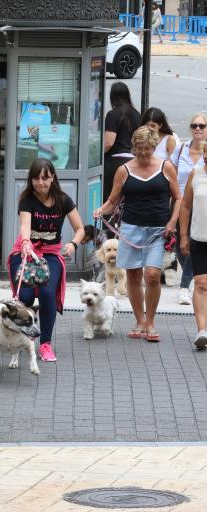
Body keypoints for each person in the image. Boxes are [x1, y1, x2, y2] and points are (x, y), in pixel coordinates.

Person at [94, 126, 180, 343]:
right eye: (139, 149)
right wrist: (101, 210)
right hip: (131, 228)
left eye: (147, 149)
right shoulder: (124, 170)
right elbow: (113, 200)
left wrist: (172, 222)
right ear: (133, 147)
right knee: (132, 275)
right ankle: (139, 320)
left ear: (154, 147)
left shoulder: (166, 167)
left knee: (151, 275)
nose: (143, 153)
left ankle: (150, 321)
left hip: (157, 230)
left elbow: (178, 198)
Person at [9, 159, 84, 362]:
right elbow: (25, 226)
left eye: (45, 177)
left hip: (50, 253)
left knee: (47, 291)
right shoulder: (27, 199)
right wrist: (25, 242)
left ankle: (45, 344)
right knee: (24, 296)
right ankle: (22, 338)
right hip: (26, 251)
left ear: (52, 177)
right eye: (36, 178)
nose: (40, 182)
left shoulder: (63, 200)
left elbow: (80, 228)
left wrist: (73, 244)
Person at [170, 113, 206, 305]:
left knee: (192, 243)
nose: (198, 129)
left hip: (200, 204)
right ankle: (191, 276)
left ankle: (184, 287)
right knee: (179, 242)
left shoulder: (206, 151)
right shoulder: (180, 148)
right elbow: (170, 172)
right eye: (194, 125)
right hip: (180, 202)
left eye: (202, 125)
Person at [179, 142, 207, 350]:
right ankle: (202, 331)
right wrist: (183, 236)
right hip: (199, 238)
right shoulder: (196, 174)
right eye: (205, 152)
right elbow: (185, 205)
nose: (205, 156)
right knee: (201, 284)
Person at [103, 82, 141, 204]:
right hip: (133, 162)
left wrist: (97, 157)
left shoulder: (112, 114)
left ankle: (108, 223)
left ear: (112, 97)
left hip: (115, 163)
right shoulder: (137, 114)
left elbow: (109, 142)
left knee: (111, 200)